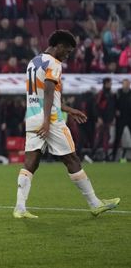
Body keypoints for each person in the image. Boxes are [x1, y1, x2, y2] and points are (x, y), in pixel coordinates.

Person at [13, 30, 120, 219]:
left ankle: (20, 208)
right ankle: (95, 204)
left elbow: (44, 93)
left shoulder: (34, 62)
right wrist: (47, 121)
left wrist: (69, 109)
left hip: (31, 116)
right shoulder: (54, 63)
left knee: (31, 162)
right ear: (59, 46)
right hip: (51, 119)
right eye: (67, 51)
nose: (67, 56)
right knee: (72, 158)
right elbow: (47, 91)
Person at [113, 79, 131, 161]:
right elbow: (113, 104)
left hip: (129, 117)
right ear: (122, 84)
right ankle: (113, 157)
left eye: (127, 84)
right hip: (120, 118)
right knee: (117, 137)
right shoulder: (118, 93)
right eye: (125, 84)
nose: (126, 85)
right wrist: (115, 110)